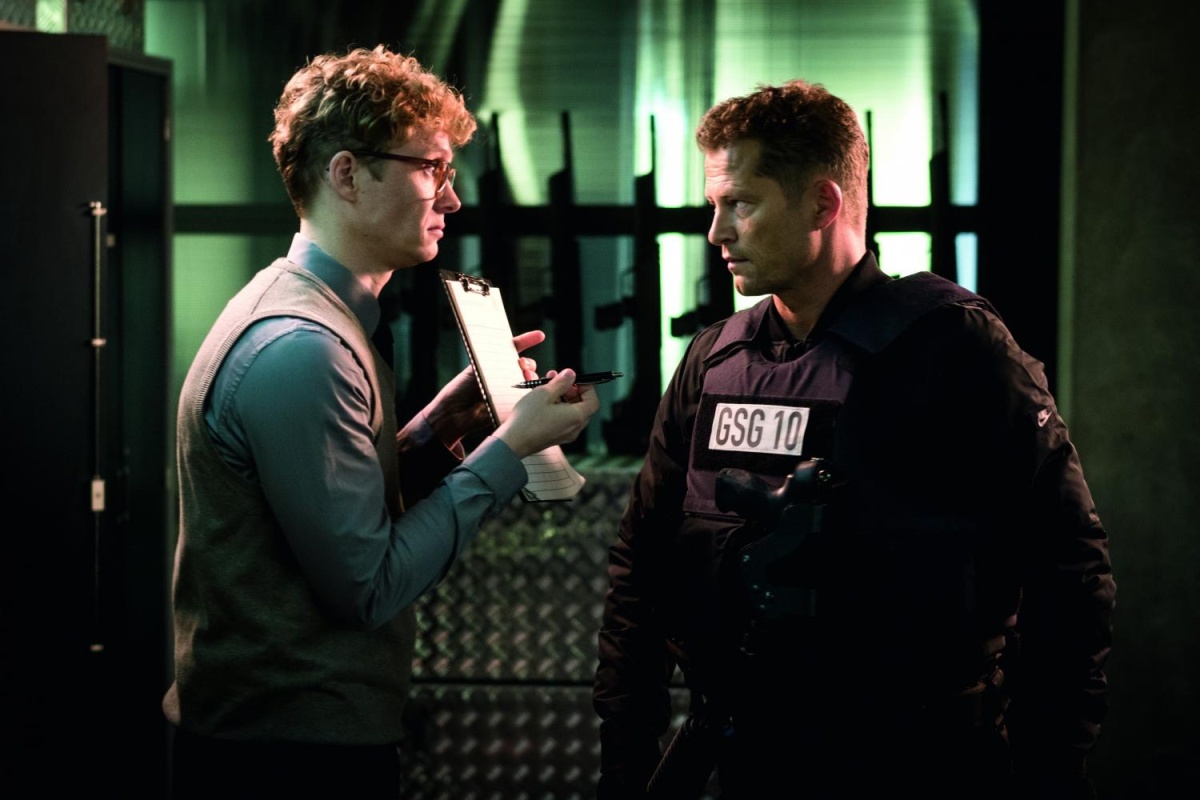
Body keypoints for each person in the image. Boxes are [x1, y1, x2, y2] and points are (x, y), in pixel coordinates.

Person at [592, 79, 1115, 800]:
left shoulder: (954, 348)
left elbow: (1070, 567)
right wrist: (625, 762)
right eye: (714, 205)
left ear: (822, 203)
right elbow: (642, 567)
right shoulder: (716, 358)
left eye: (740, 203)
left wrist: (1051, 770)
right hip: (750, 759)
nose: (717, 232)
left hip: (921, 763)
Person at [162, 45, 599, 799]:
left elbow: (337, 506)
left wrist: (444, 424)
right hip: (284, 763)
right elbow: (369, 585)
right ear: (346, 174)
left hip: (286, 744)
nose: (451, 199)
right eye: (432, 169)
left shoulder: (316, 318)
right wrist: (510, 449)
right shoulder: (304, 349)